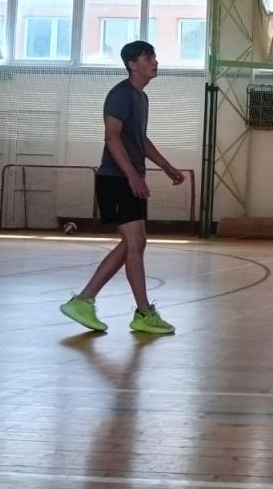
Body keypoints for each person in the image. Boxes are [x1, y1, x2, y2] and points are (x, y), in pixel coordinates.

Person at [59, 41, 184, 335]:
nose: (155, 61)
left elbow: (140, 140)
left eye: (154, 56)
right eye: (148, 57)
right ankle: (142, 312)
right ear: (132, 65)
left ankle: (85, 300)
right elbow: (112, 137)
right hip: (116, 179)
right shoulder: (120, 95)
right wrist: (132, 176)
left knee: (133, 244)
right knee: (135, 243)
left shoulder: (141, 98)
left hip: (127, 178)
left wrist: (166, 166)